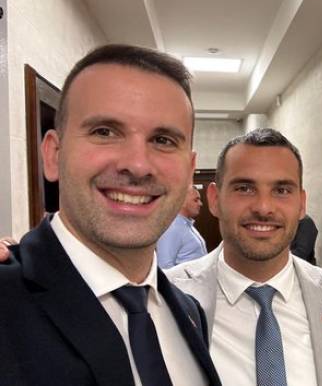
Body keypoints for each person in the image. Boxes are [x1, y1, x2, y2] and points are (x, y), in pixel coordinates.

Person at [0, 44, 221, 386]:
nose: (137, 164)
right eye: (104, 132)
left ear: (189, 169)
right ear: (53, 154)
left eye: (163, 140)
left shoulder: (189, 312)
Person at [166, 128, 322, 386]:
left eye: (281, 190)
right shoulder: (166, 294)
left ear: (301, 204)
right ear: (214, 199)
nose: (264, 207)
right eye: (244, 188)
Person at [158, 185, 208, 268]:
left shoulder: (187, 225)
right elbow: (164, 266)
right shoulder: (171, 227)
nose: (200, 203)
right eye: (196, 200)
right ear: (182, 202)